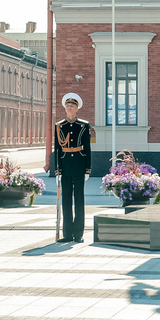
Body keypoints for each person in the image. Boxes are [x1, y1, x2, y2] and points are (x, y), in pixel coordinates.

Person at [50, 93, 93, 244]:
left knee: (79, 200)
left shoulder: (83, 125)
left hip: (79, 166)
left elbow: (87, 148)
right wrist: (56, 170)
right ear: (64, 108)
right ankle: (67, 234)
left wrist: (88, 169)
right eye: (67, 106)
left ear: (77, 109)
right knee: (66, 201)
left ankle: (78, 234)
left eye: (72, 106)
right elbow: (57, 150)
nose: (69, 108)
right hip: (65, 166)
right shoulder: (59, 126)